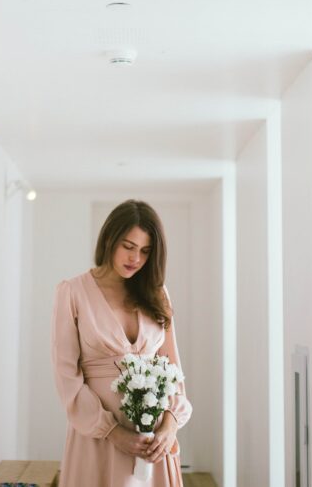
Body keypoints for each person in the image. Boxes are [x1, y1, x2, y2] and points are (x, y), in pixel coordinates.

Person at [51, 200, 192, 486]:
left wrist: (169, 426)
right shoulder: (72, 292)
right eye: (128, 246)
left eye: (145, 251)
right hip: (98, 438)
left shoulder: (157, 293)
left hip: (153, 443)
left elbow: (173, 369)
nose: (135, 259)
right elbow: (67, 378)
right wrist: (112, 431)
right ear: (109, 240)